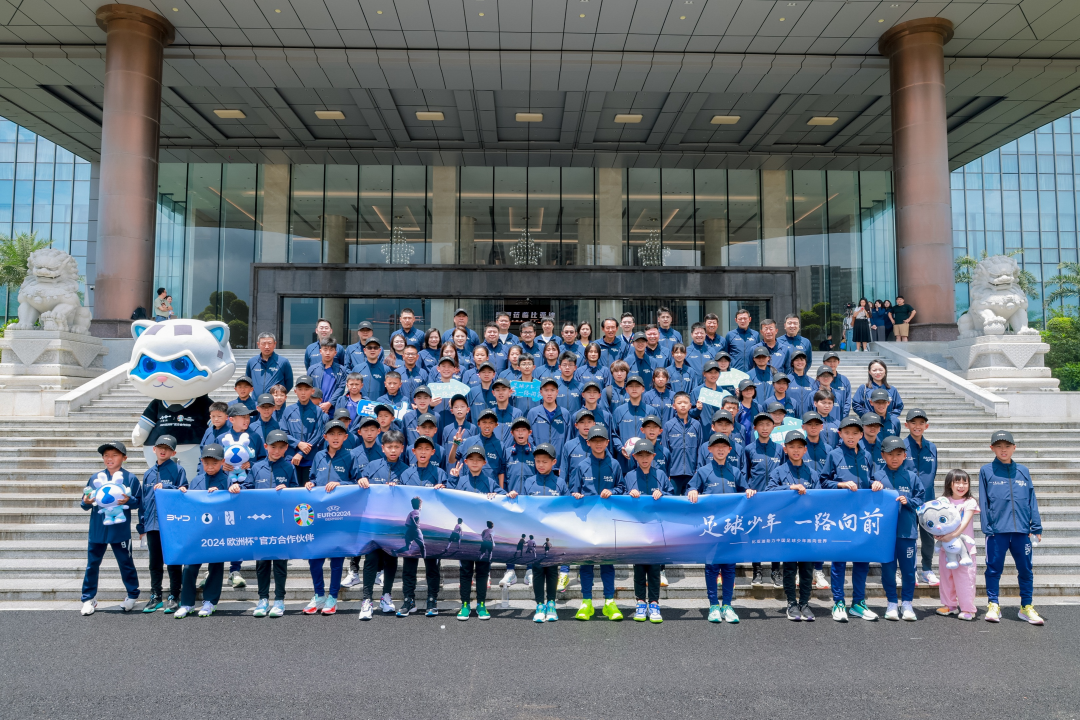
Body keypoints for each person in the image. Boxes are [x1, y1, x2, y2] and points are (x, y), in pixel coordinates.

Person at [979, 430, 1044, 625]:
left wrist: (1036, 527)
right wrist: (987, 527)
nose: (1003, 450)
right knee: (993, 569)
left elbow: (1031, 499)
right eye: (998, 446)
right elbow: (983, 500)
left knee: (1026, 570)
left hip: (1022, 531)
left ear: (1014, 448)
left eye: (1007, 446)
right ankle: (993, 604)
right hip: (997, 531)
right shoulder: (986, 471)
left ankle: (1026, 606)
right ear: (992, 448)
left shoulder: (1023, 471)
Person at [820, 416, 881, 622]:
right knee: (839, 560)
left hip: (862, 516)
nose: (851, 436)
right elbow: (823, 481)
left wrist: (875, 483)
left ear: (861, 434)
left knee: (862, 560)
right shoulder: (834, 454)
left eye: (855, 433)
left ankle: (858, 603)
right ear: (840, 434)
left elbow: (869, 479)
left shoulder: (866, 455)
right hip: (841, 516)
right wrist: (841, 484)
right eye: (847, 433)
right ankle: (838, 602)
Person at [688, 432, 752, 624]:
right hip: (711, 529)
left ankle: (728, 605)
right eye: (717, 446)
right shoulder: (703, 471)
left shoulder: (736, 472)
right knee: (712, 567)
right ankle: (714, 605)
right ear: (710, 449)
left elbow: (745, 491)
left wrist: (749, 491)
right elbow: (691, 488)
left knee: (729, 567)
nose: (720, 449)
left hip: (731, 528)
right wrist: (692, 490)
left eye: (724, 446)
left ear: (730, 449)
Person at [301, 420, 357, 616]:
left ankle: (333, 597)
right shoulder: (319, 456)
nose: (335, 437)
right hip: (318, 516)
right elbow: (314, 478)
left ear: (345, 437)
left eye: (339, 434)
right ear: (325, 437)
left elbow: (357, 482)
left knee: (336, 558)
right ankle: (319, 595)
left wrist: (340, 484)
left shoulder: (350, 456)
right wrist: (310, 483)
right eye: (331, 434)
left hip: (339, 516)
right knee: (314, 558)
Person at [79, 441, 141, 616]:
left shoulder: (130, 478)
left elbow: (138, 502)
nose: (109, 458)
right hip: (98, 529)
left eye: (114, 455)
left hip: (120, 529)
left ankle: (132, 595)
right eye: (106, 455)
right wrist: (86, 501)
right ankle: (88, 598)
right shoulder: (95, 477)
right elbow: (84, 503)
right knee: (92, 564)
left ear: (124, 458)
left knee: (125, 563)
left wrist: (129, 500)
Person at [569, 426, 625, 620]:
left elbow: (622, 488)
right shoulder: (581, 466)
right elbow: (573, 491)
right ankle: (587, 602)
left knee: (607, 564)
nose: (598, 443)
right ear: (588, 442)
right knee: (586, 564)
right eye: (594, 440)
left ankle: (609, 602)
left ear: (607, 442)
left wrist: (613, 492)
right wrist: (576, 495)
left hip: (608, 522)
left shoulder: (615, 464)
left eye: (602, 440)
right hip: (587, 522)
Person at [766, 429, 819, 622]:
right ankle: (791, 603)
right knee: (789, 568)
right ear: (785, 449)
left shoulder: (812, 473)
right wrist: (790, 488)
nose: (796, 450)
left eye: (799, 447)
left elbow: (820, 498)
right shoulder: (778, 471)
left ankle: (804, 603)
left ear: (805, 450)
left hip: (807, 529)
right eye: (791, 447)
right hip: (786, 528)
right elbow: (769, 491)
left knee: (807, 569)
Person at [449, 444, 507, 620]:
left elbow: (504, 497)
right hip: (466, 535)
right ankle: (465, 605)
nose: (475, 462)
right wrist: (452, 479)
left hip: (483, 537)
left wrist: (500, 495)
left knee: (482, 571)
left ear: (484, 462)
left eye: (478, 459)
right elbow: (448, 496)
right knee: (466, 570)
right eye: (471, 459)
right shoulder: (460, 481)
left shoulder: (490, 482)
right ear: (466, 462)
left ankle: (481, 604)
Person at [245, 429, 298, 617]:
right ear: (266, 446)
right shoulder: (256, 467)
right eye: (273, 447)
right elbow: (247, 487)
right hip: (260, 524)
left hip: (281, 524)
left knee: (280, 563)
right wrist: (236, 486)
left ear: (286, 448)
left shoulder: (289, 468)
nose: (277, 451)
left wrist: (288, 489)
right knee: (262, 563)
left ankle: (280, 600)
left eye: (281, 447)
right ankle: (263, 599)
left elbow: (296, 493)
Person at [174, 444, 229, 618]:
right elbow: (189, 505)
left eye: (214, 463)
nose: (210, 467)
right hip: (197, 531)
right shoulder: (197, 480)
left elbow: (233, 503)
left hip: (218, 531)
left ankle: (210, 601)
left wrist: (222, 494)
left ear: (223, 462)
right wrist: (183, 493)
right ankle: (187, 603)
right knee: (189, 567)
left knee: (216, 567)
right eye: (206, 463)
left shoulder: (228, 480)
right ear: (201, 462)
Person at [876, 436, 925, 621]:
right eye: (890, 454)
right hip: (885, 534)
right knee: (888, 570)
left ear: (905, 456)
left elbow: (921, 499)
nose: (894, 458)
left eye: (898, 454)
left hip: (906, 532)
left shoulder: (912, 477)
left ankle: (907, 604)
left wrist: (908, 501)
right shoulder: (877, 476)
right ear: (883, 455)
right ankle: (891, 603)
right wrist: (873, 488)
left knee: (908, 570)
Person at [624, 439, 672, 624]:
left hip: (656, 529)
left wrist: (663, 494)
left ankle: (654, 603)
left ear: (654, 456)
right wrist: (629, 494)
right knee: (638, 568)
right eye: (640, 455)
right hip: (636, 529)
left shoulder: (660, 474)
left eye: (648, 455)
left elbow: (671, 495)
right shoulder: (629, 476)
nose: (644, 459)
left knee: (654, 569)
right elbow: (620, 495)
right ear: (634, 457)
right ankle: (640, 602)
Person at [136, 435, 185, 613]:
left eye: (167, 448)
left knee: (173, 561)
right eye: (160, 447)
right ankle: (155, 595)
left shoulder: (178, 470)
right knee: (154, 562)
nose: (163, 451)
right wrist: (142, 526)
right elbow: (143, 502)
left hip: (171, 524)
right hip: (152, 525)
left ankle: (174, 595)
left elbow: (183, 492)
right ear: (154, 449)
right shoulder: (149, 473)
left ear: (174, 452)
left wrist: (167, 488)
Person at [523, 444, 566, 623]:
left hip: (554, 535)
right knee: (538, 569)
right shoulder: (529, 482)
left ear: (553, 462)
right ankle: (540, 605)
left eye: (545, 461)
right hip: (535, 534)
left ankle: (551, 604)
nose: (540, 465)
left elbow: (566, 507)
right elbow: (523, 506)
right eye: (538, 461)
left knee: (552, 570)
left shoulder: (560, 483)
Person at [743, 410, 784, 588]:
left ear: (773, 427)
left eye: (768, 424)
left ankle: (775, 571)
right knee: (756, 535)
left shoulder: (779, 449)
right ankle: (757, 570)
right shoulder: (749, 449)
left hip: (776, 499)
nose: (765, 428)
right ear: (755, 428)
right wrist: (748, 489)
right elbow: (745, 473)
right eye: (761, 425)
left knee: (775, 536)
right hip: (756, 500)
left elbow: (784, 472)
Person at [935, 469, 979, 621]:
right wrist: (936, 534)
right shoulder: (943, 501)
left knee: (965, 579)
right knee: (946, 578)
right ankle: (949, 605)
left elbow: (965, 521)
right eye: (957, 482)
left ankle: (968, 609)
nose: (961, 486)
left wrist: (951, 536)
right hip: (945, 548)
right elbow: (935, 520)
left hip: (965, 549)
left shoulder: (970, 502)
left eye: (965, 482)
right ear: (950, 484)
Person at [903, 407, 940, 586]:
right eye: (913, 423)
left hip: (928, 500)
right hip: (908, 500)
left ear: (926, 426)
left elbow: (933, 473)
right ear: (906, 425)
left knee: (928, 537)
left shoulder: (931, 447)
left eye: (921, 423)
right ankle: (909, 570)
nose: (917, 426)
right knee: (909, 536)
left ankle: (927, 569)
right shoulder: (901, 446)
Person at [281, 375, 328, 486]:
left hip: (310, 459)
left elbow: (318, 435)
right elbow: (284, 433)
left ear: (312, 391)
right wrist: (298, 443)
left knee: (308, 490)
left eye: (306, 389)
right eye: (300, 389)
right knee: (291, 490)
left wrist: (301, 453)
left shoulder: (318, 411)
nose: (303, 392)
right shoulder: (288, 410)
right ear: (295, 391)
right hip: (291, 458)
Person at [247, 332, 294, 397]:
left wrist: (279, 396)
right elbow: (248, 382)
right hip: (256, 401)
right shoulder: (252, 362)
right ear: (258, 345)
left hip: (276, 402)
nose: (267, 347)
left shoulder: (283, 362)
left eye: (270, 343)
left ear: (275, 344)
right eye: (263, 343)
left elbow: (289, 384)